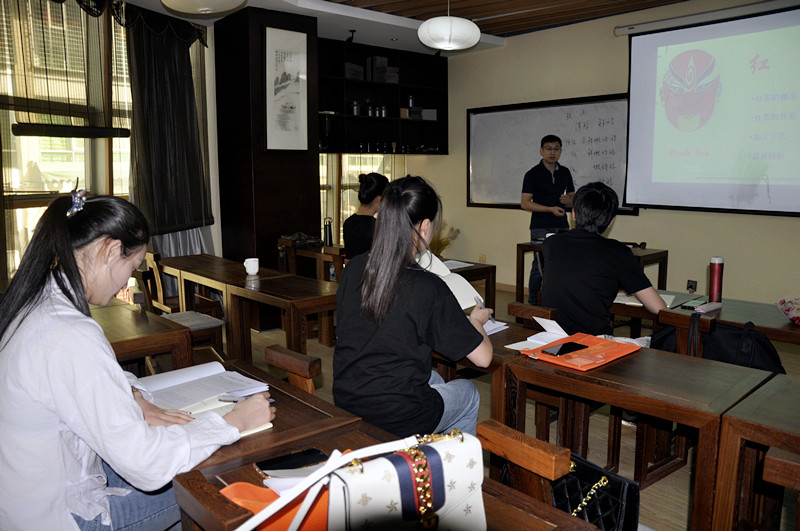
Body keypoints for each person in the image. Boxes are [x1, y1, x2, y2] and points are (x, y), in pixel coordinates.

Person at [0, 192, 276, 531]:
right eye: (132, 267)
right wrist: (234, 422)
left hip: (24, 498)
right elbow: (147, 466)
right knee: (220, 479)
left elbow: (90, 380)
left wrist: (135, 397)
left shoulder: (36, 301)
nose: (126, 282)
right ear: (109, 250)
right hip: (59, 516)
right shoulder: (69, 334)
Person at [333, 176, 493, 438]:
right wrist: (475, 322)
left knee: (436, 381)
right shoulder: (425, 285)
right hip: (396, 416)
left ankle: (424, 456)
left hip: (348, 399)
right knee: (469, 393)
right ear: (426, 227)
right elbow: (483, 357)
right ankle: (456, 473)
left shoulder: (354, 268)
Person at [541, 182, 666, 336]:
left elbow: (578, 275)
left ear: (573, 214)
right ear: (611, 221)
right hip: (594, 346)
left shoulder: (550, 244)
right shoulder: (618, 252)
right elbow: (659, 308)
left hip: (549, 339)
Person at [521, 134, 575, 304]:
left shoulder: (565, 172)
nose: (552, 153)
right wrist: (549, 209)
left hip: (562, 226)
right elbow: (525, 203)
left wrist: (569, 200)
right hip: (541, 227)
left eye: (556, 149)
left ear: (561, 151)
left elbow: (573, 197)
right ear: (541, 151)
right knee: (539, 267)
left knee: (561, 266)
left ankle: (556, 302)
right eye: (549, 149)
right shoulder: (532, 174)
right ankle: (532, 304)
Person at [342, 172, 389, 258]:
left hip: (352, 270)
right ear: (379, 199)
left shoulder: (348, 223)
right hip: (371, 271)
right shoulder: (378, 226)